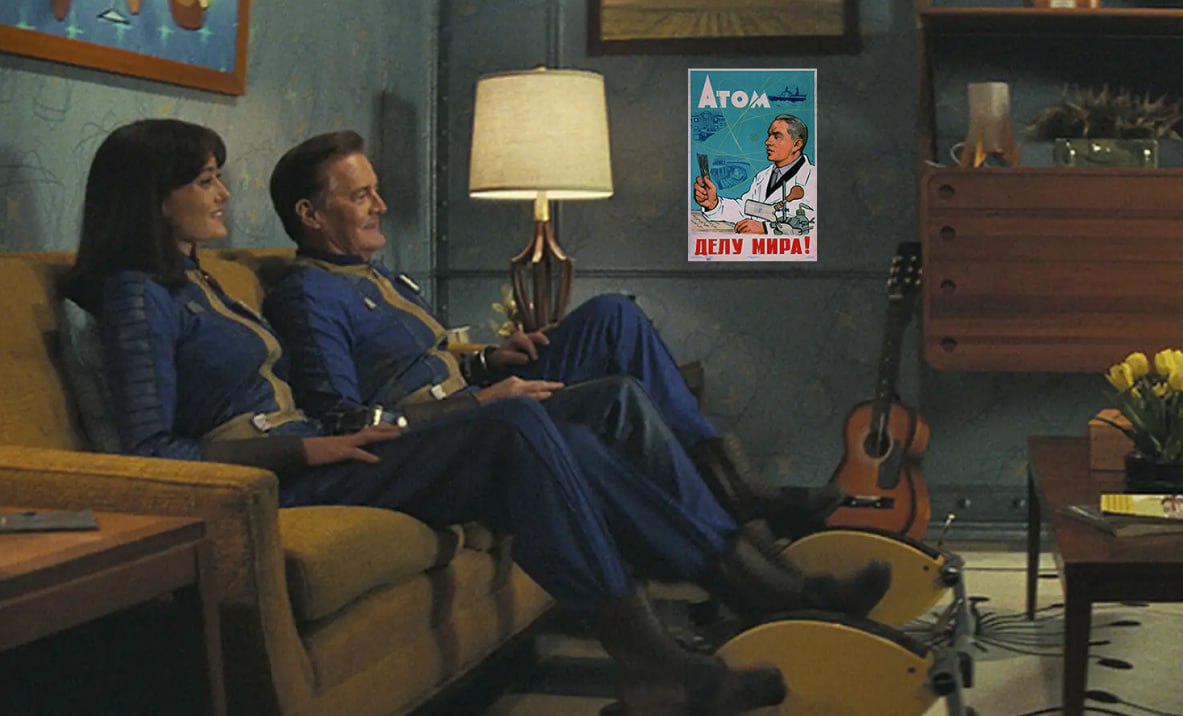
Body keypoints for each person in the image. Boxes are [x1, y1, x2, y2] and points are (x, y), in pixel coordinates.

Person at [59, 119, 888, 715]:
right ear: (153, 198)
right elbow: (152, 451)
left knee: (582, 406)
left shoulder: (193, 279)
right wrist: (312, 451)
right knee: (525, 427)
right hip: (292, 474)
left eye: (218, 175)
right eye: (204, 179)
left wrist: (485, 363)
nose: (223, 192)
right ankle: (696, 625)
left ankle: (695, 630)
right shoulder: (139, 296)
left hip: (328, 446)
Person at [262, 130, 844, 535]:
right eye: (361, 195)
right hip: (452, 427)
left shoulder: (375, 273)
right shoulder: (307, 293)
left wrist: (489, 360)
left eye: (375, 190)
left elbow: (424, 362)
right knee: (618, 396)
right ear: (310, 214)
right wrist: (479, 401)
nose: (381, 205)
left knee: (613, 314)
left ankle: (730, 481)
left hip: (475, 393)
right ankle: (732, 530)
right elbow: (345, 418)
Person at [693, 114, 817, 235]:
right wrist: (714, 204)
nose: (767, 142)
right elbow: (746, 209)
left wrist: (766, 229)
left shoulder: (814, 178)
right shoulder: (763, 176)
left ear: (797, 144)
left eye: (777, 137)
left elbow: (814, 226)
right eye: (769, 135)